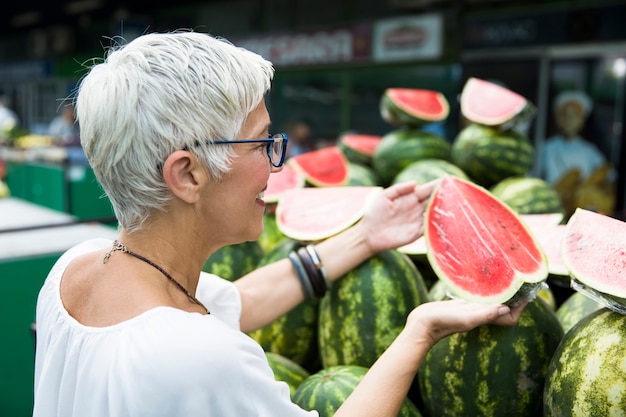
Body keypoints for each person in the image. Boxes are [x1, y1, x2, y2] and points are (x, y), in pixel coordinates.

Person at [33, 31, 526, 417]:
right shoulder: (201, 358)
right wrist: (418, 331)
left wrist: (365, 235)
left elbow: (240, 301)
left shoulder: (74, 271)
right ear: (187, 173)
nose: (277, 166)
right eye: (261, 143)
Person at [536, 90, 616, 216]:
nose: (569, 120)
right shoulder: (546, 147)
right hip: (552, 209)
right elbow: (534, 177)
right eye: (565, 115)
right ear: (558, 118)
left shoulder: (589, 150)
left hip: (582, 210)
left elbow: (610, 177)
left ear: (582, 120)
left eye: (574, 116)